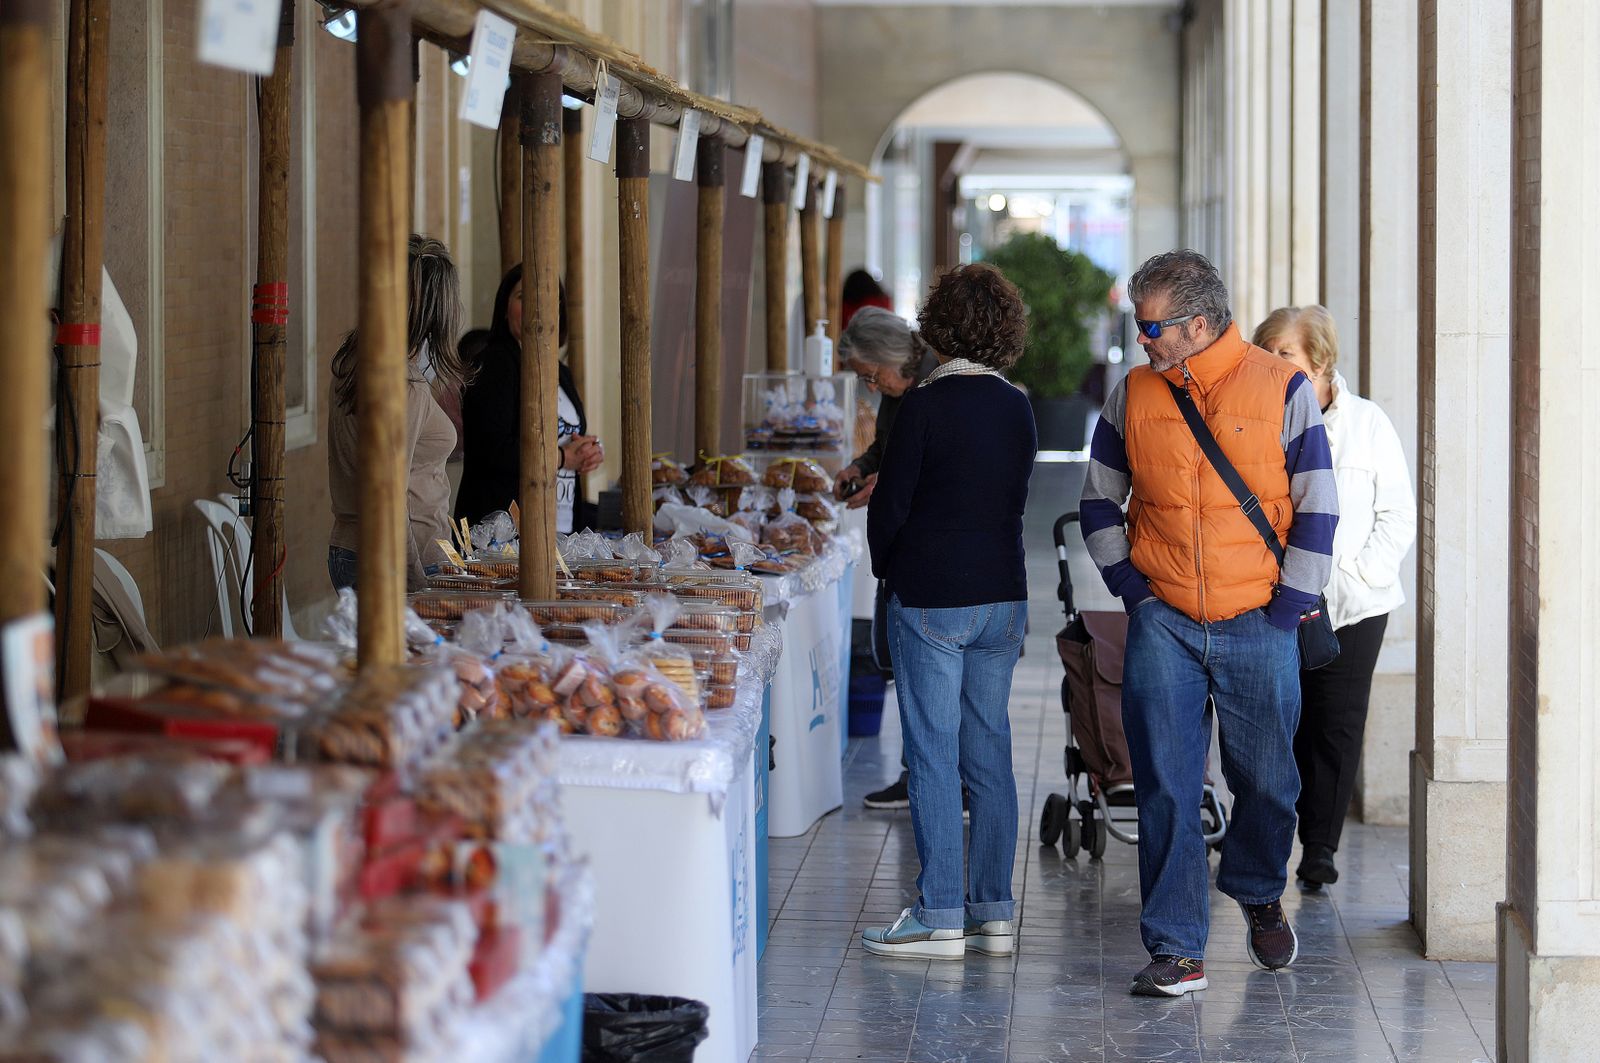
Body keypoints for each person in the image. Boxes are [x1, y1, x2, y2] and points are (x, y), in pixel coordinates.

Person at [1080, 250, 1337, 996]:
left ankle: (1257, 889)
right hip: (1164, 620)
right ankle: (1176, 945)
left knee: (1267, 782)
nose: (1142, 340)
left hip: (1260, 619)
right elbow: (1099, 499)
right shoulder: (1132, 393)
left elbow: (1319, 504)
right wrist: (1133, 589)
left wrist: (1288, 607)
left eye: (1152, 325)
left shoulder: (1282, 386)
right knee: (1164, 782)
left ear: (1197, 325)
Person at [861, 264, 1036, 959]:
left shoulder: (926, 405)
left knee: (933, 755)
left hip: (933, 596)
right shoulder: (1018, 404)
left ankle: (938, 913)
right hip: (1004, 596)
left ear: (939, 329)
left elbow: (892, 503)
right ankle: (992, 909)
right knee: (988, 749)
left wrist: (889, 570)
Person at [1252, 306, 1416, 889]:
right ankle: (1275, 831)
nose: (1272, 363)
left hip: (1356, 604)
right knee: (1284, 722)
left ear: (1319, 362)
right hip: (1278, 600)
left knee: (1338, 725)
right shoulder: (1255, 422)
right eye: (1265, 351)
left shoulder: (1369, 424)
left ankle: (1320, 846)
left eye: (1284, 352)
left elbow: (1397, 516)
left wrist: (1354, 574)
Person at [833, 307, 941, 810]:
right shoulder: (901, 391)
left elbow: (933, 469)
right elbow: (887, 448)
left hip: (931, 555)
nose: (872, 387)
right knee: (906, 669)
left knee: (932, 680)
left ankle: (933, 778)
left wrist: (885, 484)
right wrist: (861, 466)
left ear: (893, 358)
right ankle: (916, 772)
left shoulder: (935, 384)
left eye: (872, 376)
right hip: (900, 550)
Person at [327, 234, 474, 592]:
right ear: (437, 311)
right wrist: (415, 582)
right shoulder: (402, 382)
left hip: (356, 548)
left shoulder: (355, 358)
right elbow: (388, 494)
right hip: (395, 560)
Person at [455, 265, 602, 531]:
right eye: (524, 297)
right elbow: (492, 449)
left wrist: (586, 450)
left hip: (562, 524)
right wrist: (562, 458)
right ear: (504, 307)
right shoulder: (494, 364)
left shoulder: (561, 372)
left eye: (547, 298)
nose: (537, 307)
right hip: (502, 532)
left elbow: (563, 436)